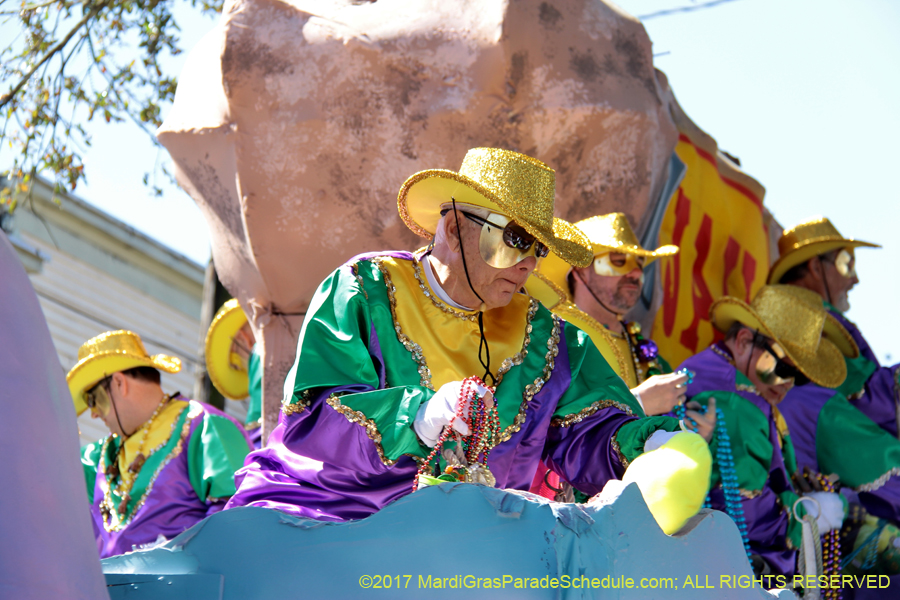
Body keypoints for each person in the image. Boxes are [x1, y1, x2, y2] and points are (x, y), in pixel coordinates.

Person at [226, 148, 714, 533]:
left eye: (538, 248)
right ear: (455, 228)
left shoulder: (546, 335)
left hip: (471, 546)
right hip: (330, 518)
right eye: (516, 239)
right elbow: (315, 416)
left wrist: (649, 442)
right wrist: (417, 416)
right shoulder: (366, 289)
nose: (530, 264)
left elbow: (588, 429)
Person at [678, 285, 853, 578]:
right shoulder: (737, 404)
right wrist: (809, 516)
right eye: (784, 368)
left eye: (799, 376)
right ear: (744, 341)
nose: (789, 383)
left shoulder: (705, 370)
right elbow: (744, 511)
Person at [69, 330, 253, 558]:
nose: (94, 414)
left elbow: (238, 519)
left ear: (118, 383)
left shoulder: (205, 426)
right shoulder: (94, 459)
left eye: (94, 399)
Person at [526, 212, 686, 416]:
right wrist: (637, 402)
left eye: (639, 264)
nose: (637, 272)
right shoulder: (552, 333)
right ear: (580, 271)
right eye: (618, 261)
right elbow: (537, 418)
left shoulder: (642, 348)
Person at [769, 217, 899, 437]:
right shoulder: (815, 322)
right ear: (815, 267)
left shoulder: (777, 315)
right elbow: (870, 399)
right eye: (846, 263)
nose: (855, 279)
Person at [205, 298, 263, 447]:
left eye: (236, 364)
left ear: (242, 339)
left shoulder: (260, 354)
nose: (244, 370)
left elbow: (260, 429)